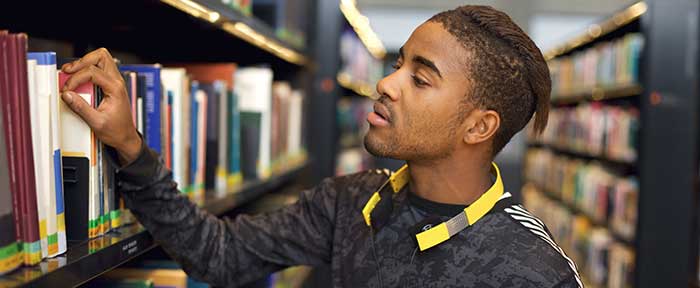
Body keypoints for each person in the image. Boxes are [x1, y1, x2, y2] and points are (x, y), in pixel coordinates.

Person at [59, 5, 581, 288]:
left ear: (477, 127)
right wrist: (129, 145)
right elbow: (219, 255)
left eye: (420, 80)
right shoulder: (351, 201)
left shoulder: (534, 271)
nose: (387, 83)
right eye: (398, 63)